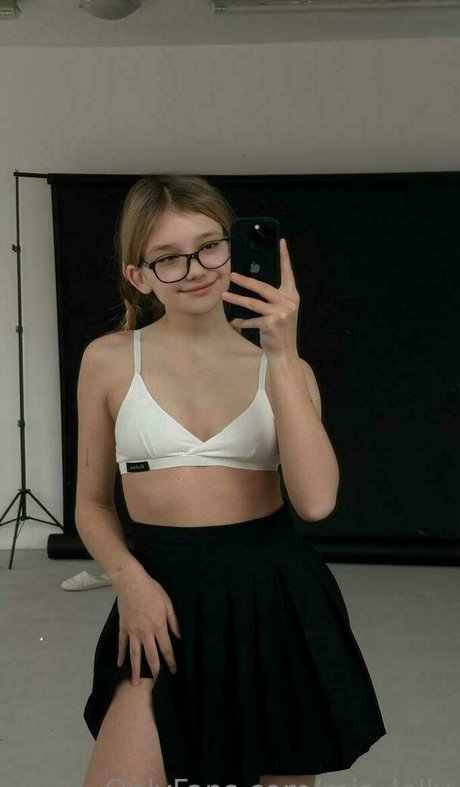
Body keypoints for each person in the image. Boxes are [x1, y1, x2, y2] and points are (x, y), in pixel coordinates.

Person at [75, 174, 386, 787]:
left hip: (274, 597)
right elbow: (91, 504)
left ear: (233, 247)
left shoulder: (286, 367)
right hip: (160, 593)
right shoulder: (108, 359)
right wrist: (130, 582)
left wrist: (282, 354)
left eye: (209, 246)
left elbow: (316, 502)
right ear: (138, 275)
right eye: (168, 257)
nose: (195, 269)